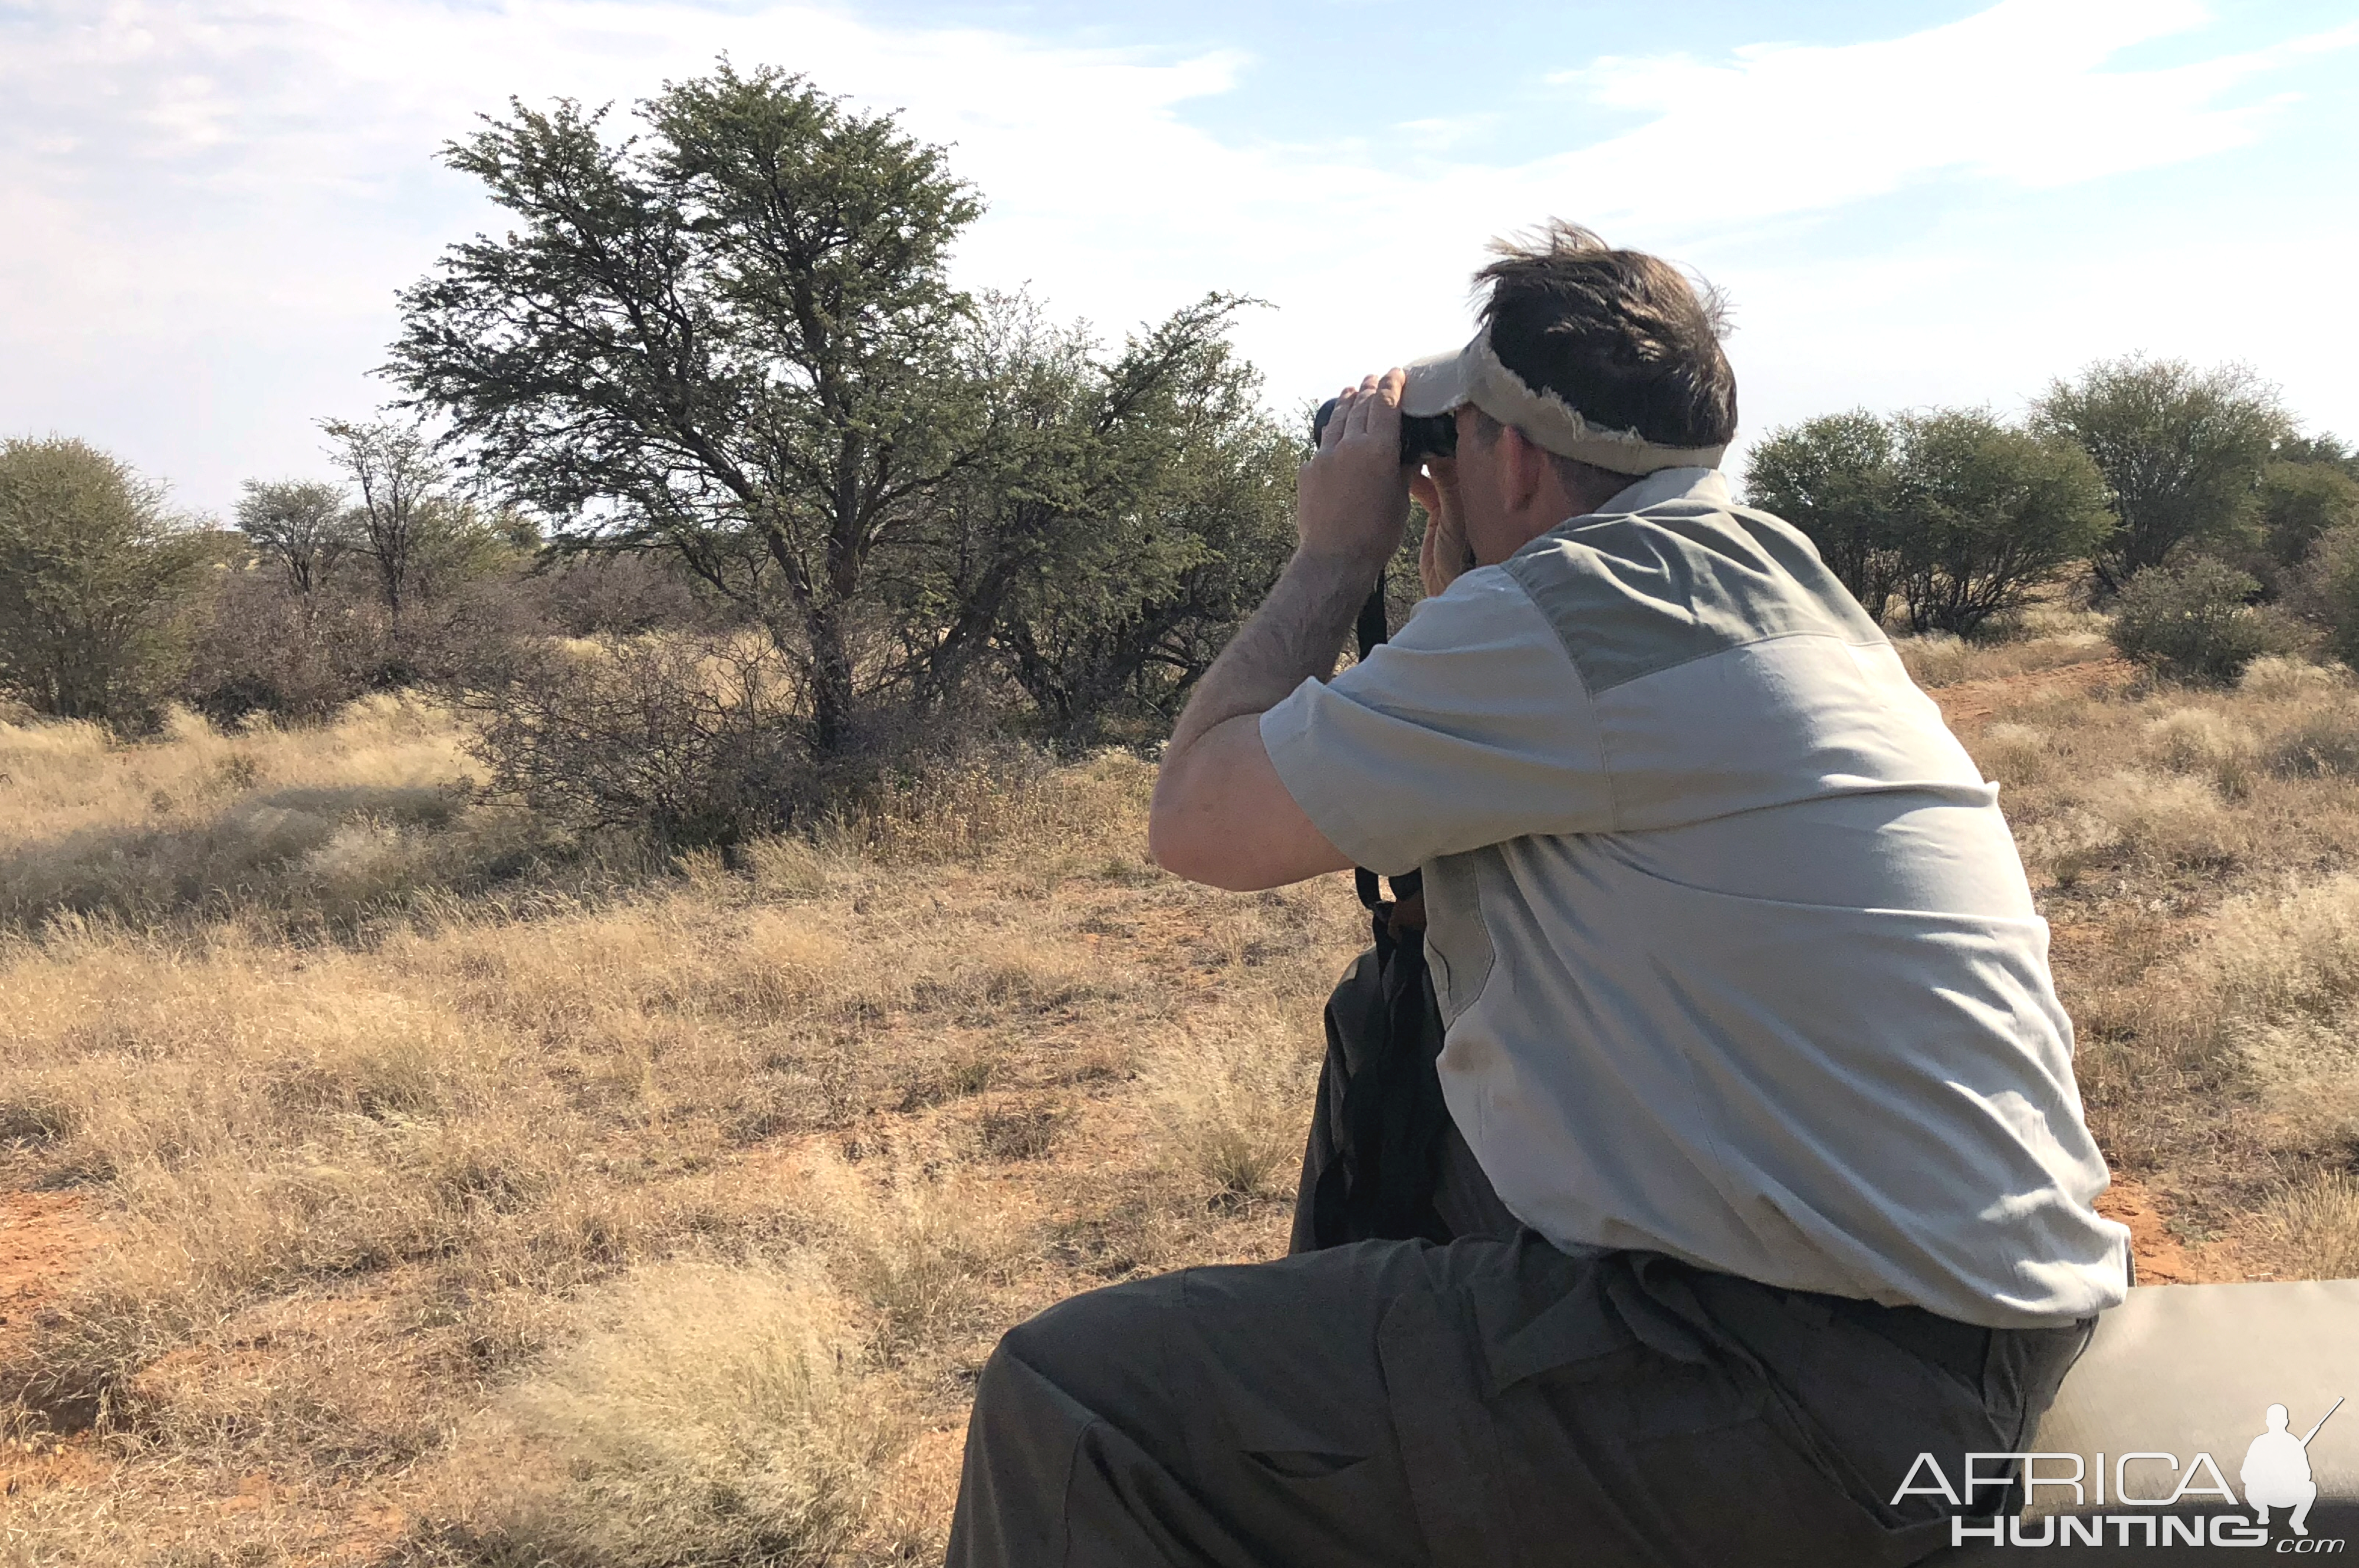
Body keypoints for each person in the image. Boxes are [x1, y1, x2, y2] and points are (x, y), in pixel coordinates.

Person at [944, 221, 2131, 1567]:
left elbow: (1197, 821)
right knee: (1398, 1070)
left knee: (1077, 1396)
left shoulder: (1570, 614)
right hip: (1953, 1332)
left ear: (1505, 454)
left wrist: (1335, 557)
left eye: (1439, 451)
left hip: (1797, 1392)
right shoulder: (1761, 581)